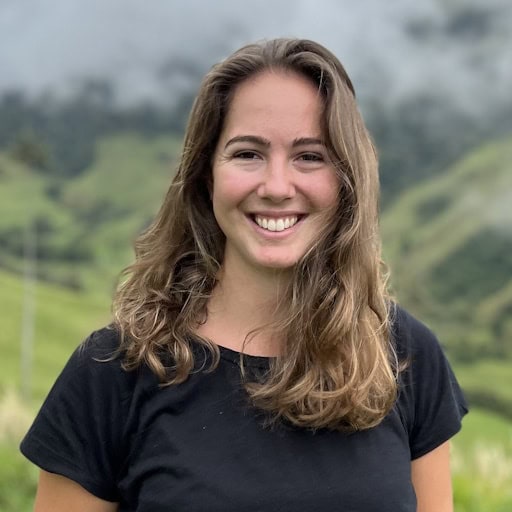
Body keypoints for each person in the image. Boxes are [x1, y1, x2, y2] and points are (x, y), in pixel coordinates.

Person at [20, 38, 467, 512]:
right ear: (206, 174)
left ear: (346, 180)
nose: (276, 186)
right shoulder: (114, 371)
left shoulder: (405, 356)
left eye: (310, 156)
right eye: (247, 153)